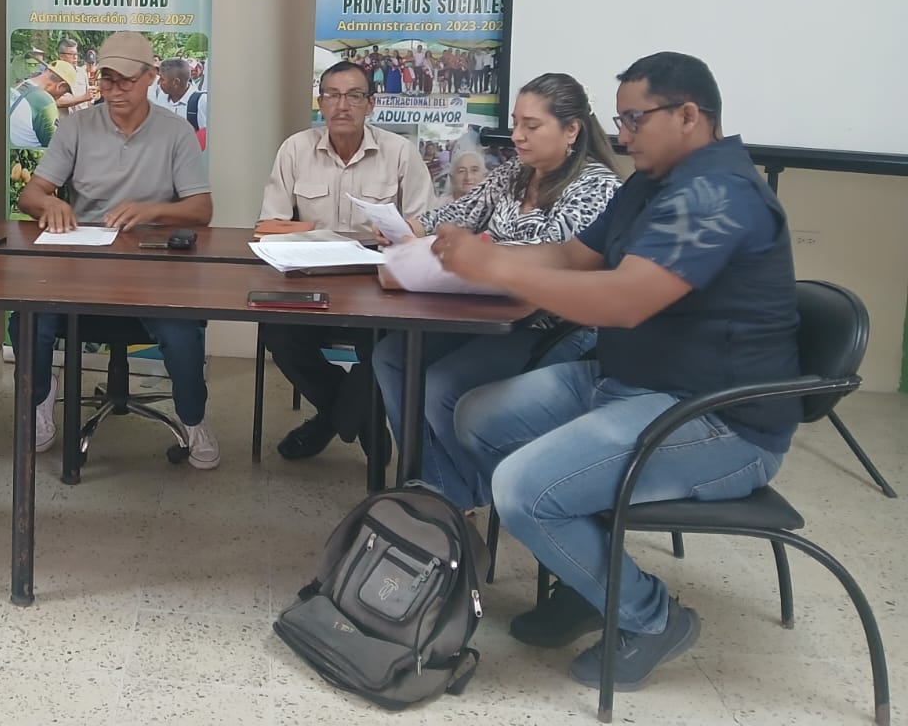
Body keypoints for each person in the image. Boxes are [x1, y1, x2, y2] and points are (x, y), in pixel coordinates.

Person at [445, 53, 799, 691]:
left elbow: (625, 299)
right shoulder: (651, 182)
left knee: (524, 488)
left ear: (688, 115)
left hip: (717, 419)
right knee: (477, 414)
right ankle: (591, 580)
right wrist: (477, 253)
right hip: (629, 385)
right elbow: (575, 257)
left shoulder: (718, 194)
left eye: (635, 119)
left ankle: (652, 617)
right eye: (620, 119)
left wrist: (494, 267)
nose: (623, 135)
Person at [371, 73, 622, 510]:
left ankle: (463, 497)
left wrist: (484, 256)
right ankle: (440, 488)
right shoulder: (514, 173)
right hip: (489, 309)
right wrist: (408, 227)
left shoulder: (597, 186)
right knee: (392, 357)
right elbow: (463, 211)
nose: (517, 135)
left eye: (531, 125)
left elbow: (556, 257)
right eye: (515, 123)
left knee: (442, 385)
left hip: (555, 324)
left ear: (571, 130)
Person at [16, 31, 218, 469]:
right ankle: (39, 398)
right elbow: (31, 195)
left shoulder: (175, 132)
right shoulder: (76, 127)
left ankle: (193, 418)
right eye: (107, 80)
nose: (115, 90)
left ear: (150, 77)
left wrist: (153, 210)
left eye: (126, 80)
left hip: (153, 263)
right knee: (29, 317)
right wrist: (50, 203)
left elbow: (202, 210)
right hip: (83, 262)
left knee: (181, 331)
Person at [257, 60, 436, 460]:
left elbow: (425, 226)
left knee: (390, 343)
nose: (342, 105)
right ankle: (360, 419)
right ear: (320, 102)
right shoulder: (296, 149)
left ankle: (328, 422)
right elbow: (269, 225)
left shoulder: (400, 153)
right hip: (310, 280)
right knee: (278, 334)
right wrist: (313, 234)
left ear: (371, 104)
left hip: (380, 285)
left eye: (354, 96)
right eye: (332, 95)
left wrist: (401, 233)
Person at [8, 60, 74, 150]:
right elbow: (55, 146)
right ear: (60, 85)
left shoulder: (19, 85)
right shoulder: (45, 102)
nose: (61, 96)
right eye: (64, 92)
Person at [147, 57, 209, 149]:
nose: (159, 83)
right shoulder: (161, 97)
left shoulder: (200, 102)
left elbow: (208, 139)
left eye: (162, 79)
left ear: (176, 82)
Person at [53, 37, 94, 115]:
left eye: (76, 54)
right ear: (61, 56)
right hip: (65, 120)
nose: (75, 57)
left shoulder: (82, 73)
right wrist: (83, 98)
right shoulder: (55, 75)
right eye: (71, 54)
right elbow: (57, 102)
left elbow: (88, 99)